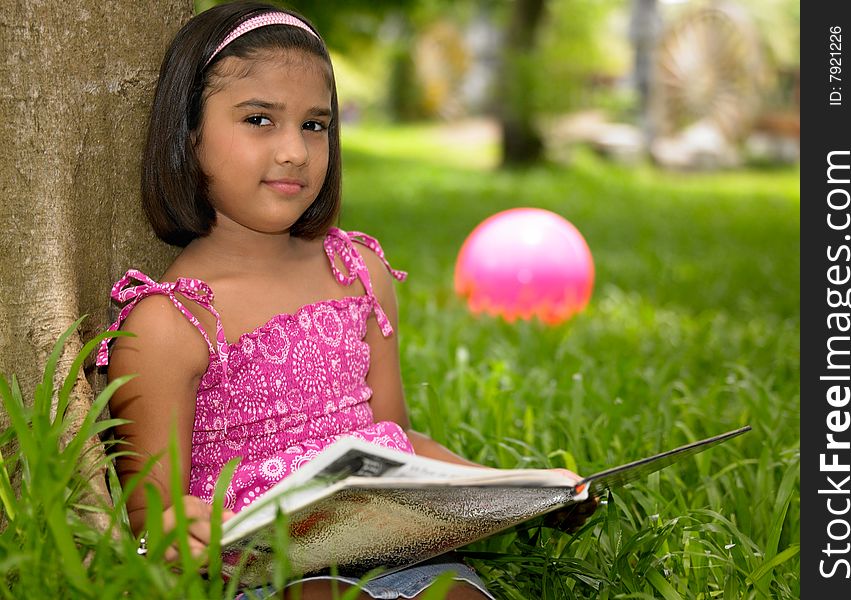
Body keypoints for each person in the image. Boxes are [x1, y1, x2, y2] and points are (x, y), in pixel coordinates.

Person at [97, 2, 592, 598]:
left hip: (400, 556)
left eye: (315, 125)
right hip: (266, 578)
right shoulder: (169, 322)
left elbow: (399, 446)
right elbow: (151, 516)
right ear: (189, 134)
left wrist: (522, 487)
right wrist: (178, 527)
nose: (294, 152)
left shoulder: (357, 273)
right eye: (259, 120)